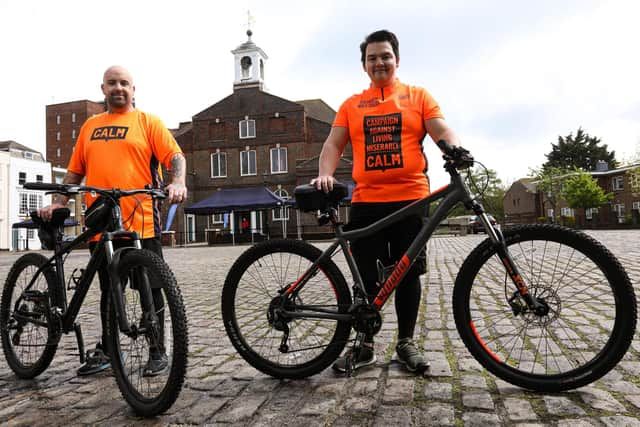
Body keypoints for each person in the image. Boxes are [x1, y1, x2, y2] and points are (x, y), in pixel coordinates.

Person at [312, 30, 462, 373]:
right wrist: (325, 174)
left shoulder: (418, 97)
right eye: (372, 57)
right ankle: (364, 346)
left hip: (410, 199)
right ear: (364, 65)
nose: (379, 62)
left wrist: (455, 149)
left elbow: (441, 130)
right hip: (367, 201)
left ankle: (406, 343)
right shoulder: (352, 105)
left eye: (385, 56)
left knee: (407, 273)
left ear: (396, 59)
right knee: (366, 277)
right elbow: (333, 145)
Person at [38, 65, 187, 376]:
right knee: (109, 289)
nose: (118, 88)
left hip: (141, 219)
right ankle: (108, 350)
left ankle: (157, 350)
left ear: (134, 90)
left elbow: (175, 156)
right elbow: (75, 172)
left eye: (124, 83)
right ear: (102, 89)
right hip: (101, 223)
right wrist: (59, 202)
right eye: (112, 83)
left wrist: (178, 181)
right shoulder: (91, 126)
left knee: (151, 287)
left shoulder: (148, 122)